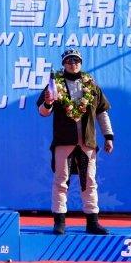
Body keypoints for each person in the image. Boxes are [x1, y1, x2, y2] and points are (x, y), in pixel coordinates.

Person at [36, 48, 114, 235]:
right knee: (61, 180)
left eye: (76, 60)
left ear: (81, 63)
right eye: (69, 61)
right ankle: (59, 221)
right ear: (63, 64)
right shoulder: (55, 83)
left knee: (89, 181)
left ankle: (92, 222)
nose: (73, 64)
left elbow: (102, 113)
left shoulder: (91, 85)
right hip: (64, 141)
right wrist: (48, 103)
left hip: (87, 142)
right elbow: (43, 112)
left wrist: (108, 136)